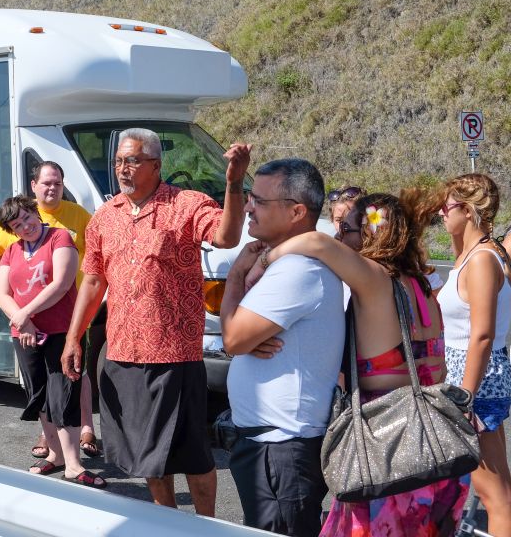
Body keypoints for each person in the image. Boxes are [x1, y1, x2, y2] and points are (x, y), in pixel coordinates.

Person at [253, 188, 469, 536]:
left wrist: (261, 262)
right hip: (432, 441)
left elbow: (317, 244)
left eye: (347, 229)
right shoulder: (420, 283)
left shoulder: (374, 279)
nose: (339, 236)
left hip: (389, 441)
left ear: (371, 232)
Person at [62, 128, 250, 513]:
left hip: (174, 358)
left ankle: (205, 525)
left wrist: (233, 185)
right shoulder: (104, 216)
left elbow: (226, 237)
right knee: (147, 457)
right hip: (123, 355)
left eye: (131, 160)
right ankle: (169, 522)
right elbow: (94, 280)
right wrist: (73, 338)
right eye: (118, 162)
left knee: (195, 456)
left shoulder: (186, 204)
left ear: (156, 165)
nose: (122, 169)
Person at [219, 159, 344, 537]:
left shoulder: (298, 270)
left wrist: (237, 276)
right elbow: (240, 336)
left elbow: (233, 338)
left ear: (296, 211)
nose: (248, 207)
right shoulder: (286, 263)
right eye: (249, 197)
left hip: (280, 450)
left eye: (259, 199)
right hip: (272, 445)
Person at [0, 160, 100, 459]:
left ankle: (86, 429)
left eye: (57, 182)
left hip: (72, 310)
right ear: (34, 187)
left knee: (74, 373)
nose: (52, 187)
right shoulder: (19, 216)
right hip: (30, 318)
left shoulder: (76, 217)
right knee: (43, 380)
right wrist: (13, 280)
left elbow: (97, 251)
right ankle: (53, 442)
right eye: (46, 182)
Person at [0, 195, 105, 488]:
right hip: (26, 334)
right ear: (12, 231)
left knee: (65, 391)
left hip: (62, 330)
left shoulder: (59, 238)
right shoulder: (11, 251)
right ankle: (55, 456)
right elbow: (3, 295)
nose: (25, 226)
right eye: (17, 225)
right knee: (41, 395)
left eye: (26, 217)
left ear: (35, 212)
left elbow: (62, 284)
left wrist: (24, 314)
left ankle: (73, 464)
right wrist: (25, 321)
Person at [439, 173, 511, 536]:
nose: (440, 211)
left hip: (476, 381)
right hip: (470, 378)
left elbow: (481, 334)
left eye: (447, 205)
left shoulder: (482, 259)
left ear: (467, 211)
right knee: (483, 486)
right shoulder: (470, 255)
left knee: (493, 492)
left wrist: (465, 395)